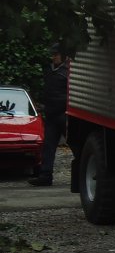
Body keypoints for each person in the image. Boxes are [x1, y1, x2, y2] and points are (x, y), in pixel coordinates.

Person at [28, 42, 69, 187]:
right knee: (48, 147)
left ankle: (83, 171)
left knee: (77, 145)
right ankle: (45, 176)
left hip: (64, 115)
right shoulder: (51, 71)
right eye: (53, 55)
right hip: (52, 115)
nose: (53, 57)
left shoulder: (67, 72)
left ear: (63, 55)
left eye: (56, 55)